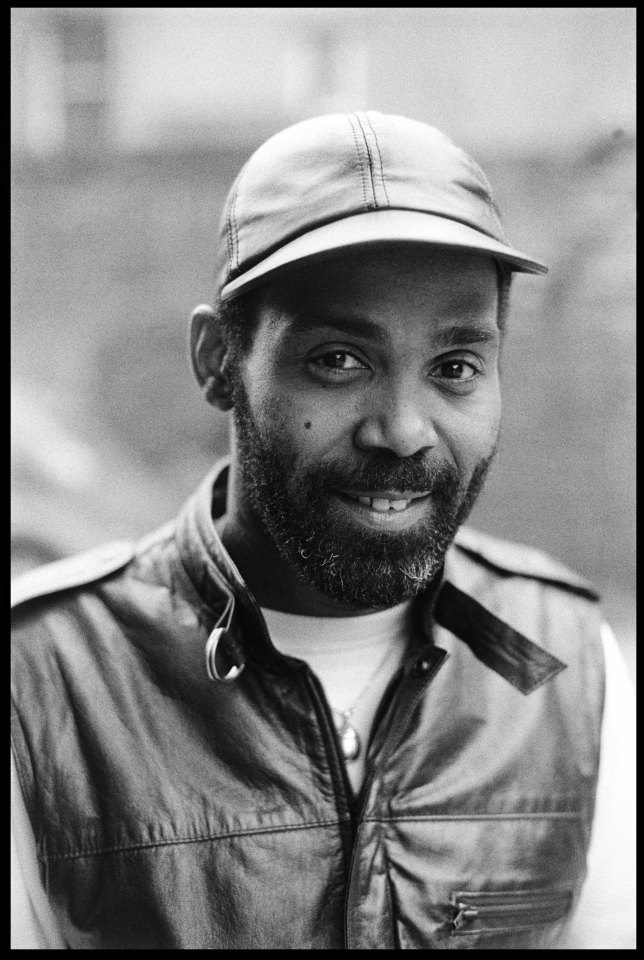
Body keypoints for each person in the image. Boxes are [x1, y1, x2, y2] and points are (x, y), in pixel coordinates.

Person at [11, 111, 635, 950]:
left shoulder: (565, 667)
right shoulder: (45, 677)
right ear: (218, 361)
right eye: (339, 360)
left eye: (455, 368)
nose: (404, 429)